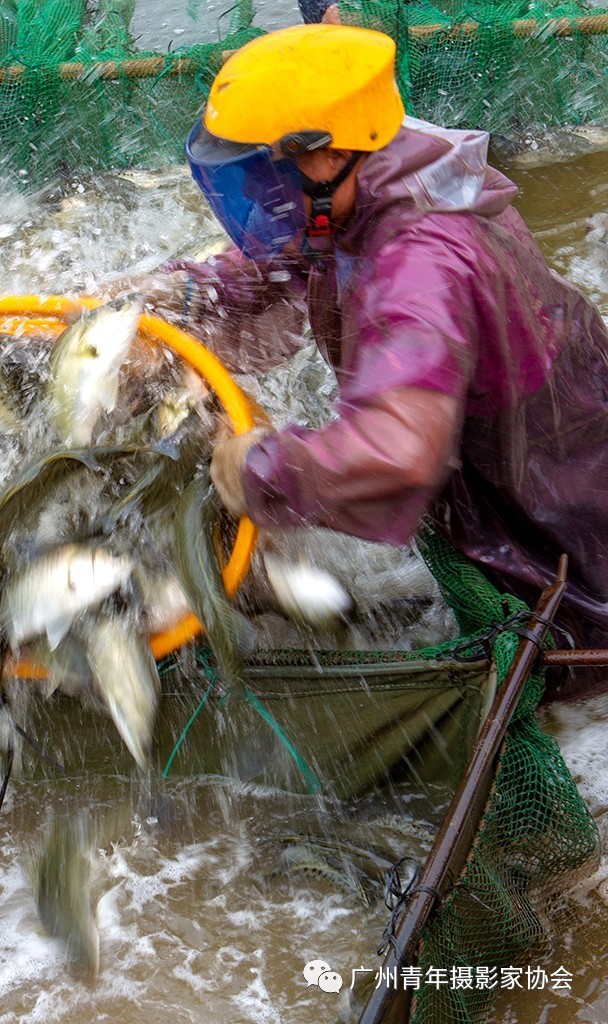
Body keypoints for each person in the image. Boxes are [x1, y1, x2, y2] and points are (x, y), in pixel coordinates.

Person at [123, 24, 608, 700]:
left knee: (567, 652)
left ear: (322, 158)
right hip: (535, 435)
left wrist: (262, 468)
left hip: (558, 495)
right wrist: (179, 295)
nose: (249, 198)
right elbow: (281, 269)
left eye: (253, 176)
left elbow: (400, 450)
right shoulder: (372, 174)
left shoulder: (422, 261)